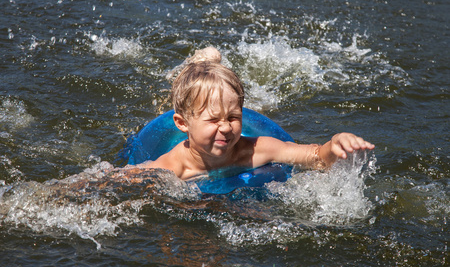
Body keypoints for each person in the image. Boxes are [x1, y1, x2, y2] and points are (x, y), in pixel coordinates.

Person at [140, 47, 375, 180]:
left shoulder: (258, 149)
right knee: (182, 95)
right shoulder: (172, 167)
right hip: (176, 135)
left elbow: (315, 158)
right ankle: (198, 63)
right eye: (213, 120)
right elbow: (126, 178)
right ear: (182, 124)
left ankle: (206, 66)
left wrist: (334, 144)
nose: (225, 128)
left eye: (233, 117)